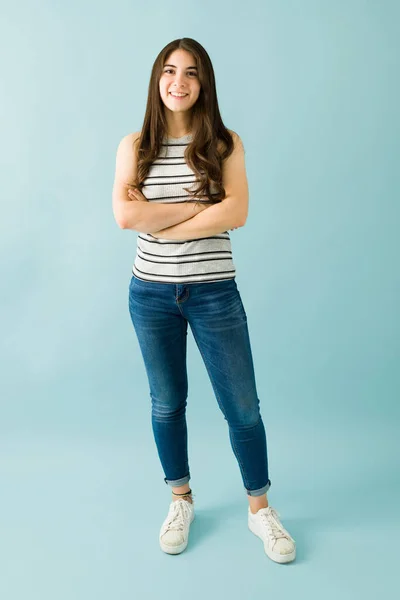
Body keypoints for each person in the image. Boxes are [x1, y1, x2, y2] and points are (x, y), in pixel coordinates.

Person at [112, 37, 296, 564]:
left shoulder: (224, 144)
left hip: (214, 292)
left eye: (191, 73)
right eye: (169, 72)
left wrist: (161, 216)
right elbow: (126, 217)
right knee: (167, 404)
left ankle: (259, 509)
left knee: (242, 407)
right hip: (150, 295)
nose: (179, 82)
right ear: (157, 80)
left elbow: (236, 212)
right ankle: (180, 498)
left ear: (204, 83)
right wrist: (198, 207)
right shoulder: (134, 146)